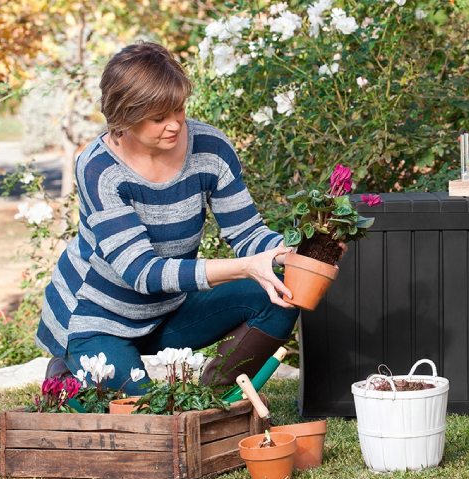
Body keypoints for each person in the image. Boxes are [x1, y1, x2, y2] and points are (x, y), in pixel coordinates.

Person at [36, 41, 321, 394]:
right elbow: (141, 272)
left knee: (279, 294)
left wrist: (291, 254)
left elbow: (248, 233)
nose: (174, 124)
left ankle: (215, 396)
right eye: (158, 117)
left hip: (169, 308)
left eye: (179, 109)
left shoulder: (210, 149)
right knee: (144, 415)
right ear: (124, 116)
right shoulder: (99, 168)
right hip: (98, 316)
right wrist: (246, 267)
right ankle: (71, 361)